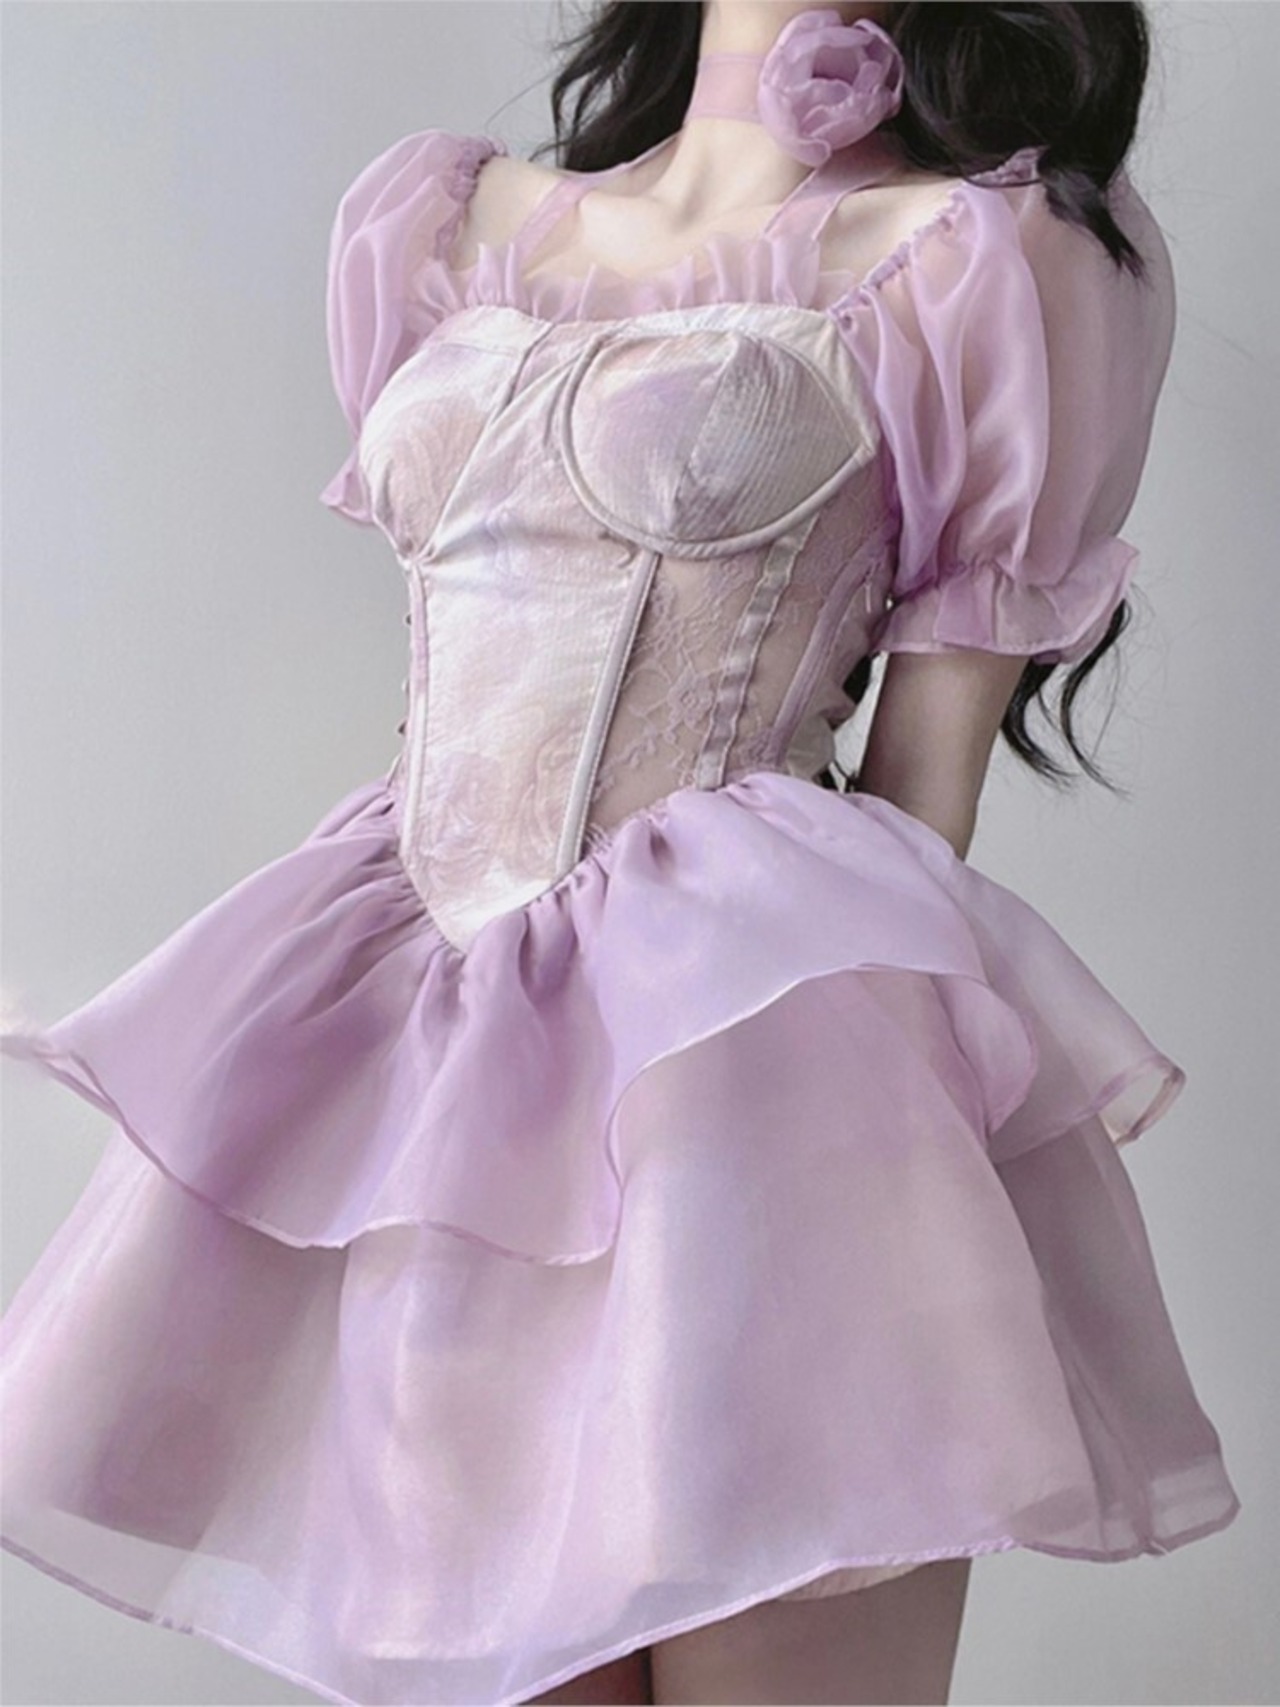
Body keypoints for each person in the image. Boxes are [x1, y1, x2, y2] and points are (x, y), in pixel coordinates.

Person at [0, 3, 1241, 1704]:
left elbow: (920, 803)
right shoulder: (446, 225)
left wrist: (883, 1153)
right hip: (435, 1072)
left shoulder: (981, 256)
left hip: (761, 1084)